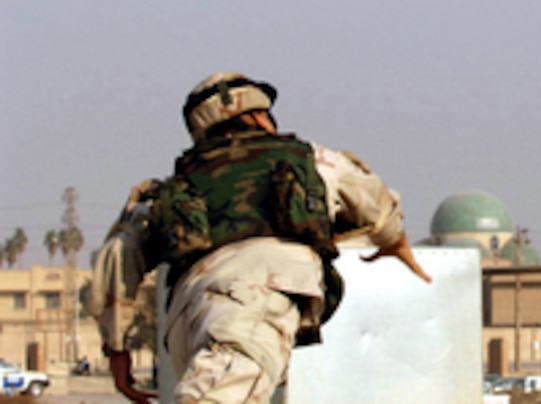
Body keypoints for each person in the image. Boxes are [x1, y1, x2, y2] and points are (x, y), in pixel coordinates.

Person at [88, 72, 431, 403]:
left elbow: (118, 256)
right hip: (253, 299)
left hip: (185, 322)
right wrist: (396, 245)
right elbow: (379, 208)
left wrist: (118, 354)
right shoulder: (312, 161)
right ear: (258, 114)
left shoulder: (171, 188)